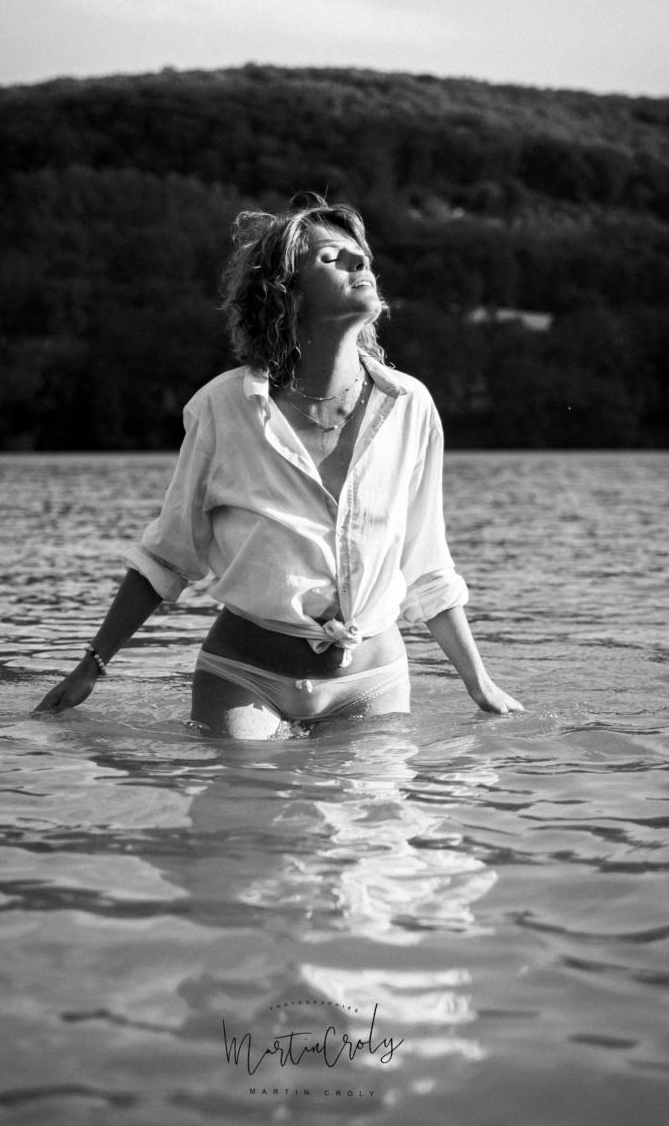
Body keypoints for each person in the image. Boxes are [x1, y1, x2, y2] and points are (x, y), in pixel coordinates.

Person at [36, 195, 522, 737]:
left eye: (360, 256)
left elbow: (426, 564)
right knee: (243, 787)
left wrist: (479, 682)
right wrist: (91, 665)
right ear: (285, 294)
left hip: (372, 680)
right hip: (245, 674)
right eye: (330, 258)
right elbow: (169, 555)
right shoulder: (224, 408)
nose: (358, 262)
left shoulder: (410, 405)